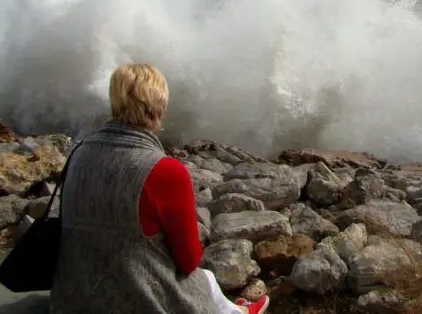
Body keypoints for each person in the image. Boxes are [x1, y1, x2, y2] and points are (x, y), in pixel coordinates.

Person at [50, 63, 269, 314]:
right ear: (158, 108)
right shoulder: (164, 171)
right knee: (202, 279)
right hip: (134, 301)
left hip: (72, 299)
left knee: (205, 281)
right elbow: (188, 262)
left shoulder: (79, 153)